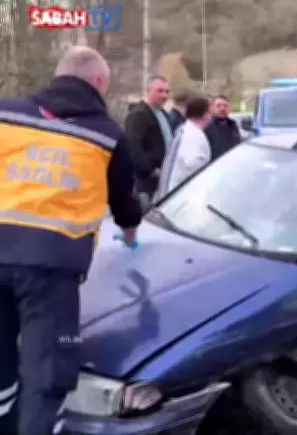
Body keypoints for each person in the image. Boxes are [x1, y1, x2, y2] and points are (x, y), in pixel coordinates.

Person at [0, 46, 142, 435]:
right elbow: (123, 200)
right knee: (46, 376)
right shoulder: (106, 135)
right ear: (97, 82)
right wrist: (131, 231)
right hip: (51, 270)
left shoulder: (5, 114)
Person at [124, 75, 172, 203]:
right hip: (147, 183)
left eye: (167, 91)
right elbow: (134, 147)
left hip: (164, 179)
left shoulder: (163, 114)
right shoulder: (138, 115)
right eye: (160, 91)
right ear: (148, 91)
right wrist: (151, 171)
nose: (164, 95)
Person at [156, 95, 213, 197]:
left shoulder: (184, 129)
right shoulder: (195, 136)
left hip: (172, 192)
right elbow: (195, 168)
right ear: (205, 114)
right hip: (183, 195)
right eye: (210, 112)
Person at [205, 95, 241, 160]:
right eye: (218, 106)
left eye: (225, 106)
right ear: (211, 108)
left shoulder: (233, 125)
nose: (222, 108)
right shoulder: (206, 127)